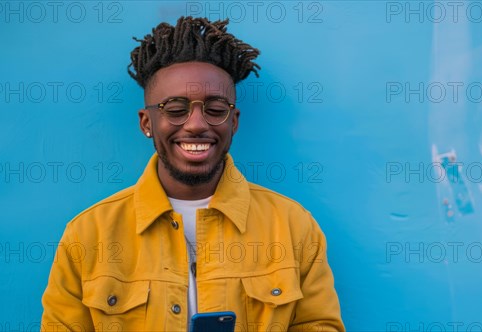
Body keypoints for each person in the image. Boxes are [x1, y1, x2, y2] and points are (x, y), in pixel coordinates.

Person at [41, 16, 345, 331]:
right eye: (175, 109)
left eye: (215, 109)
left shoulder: (293, 227)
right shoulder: (88, 235)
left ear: (233, 122)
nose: (197, 124)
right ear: (147, 123)